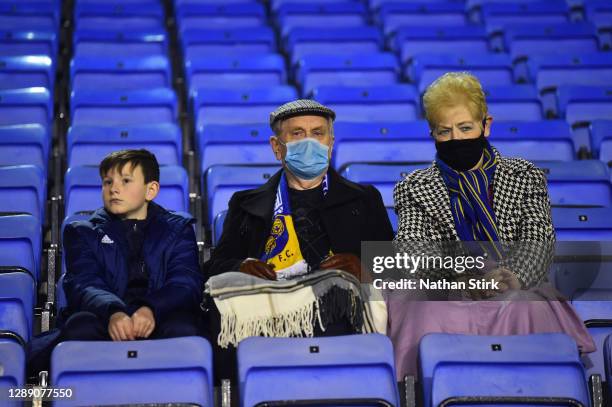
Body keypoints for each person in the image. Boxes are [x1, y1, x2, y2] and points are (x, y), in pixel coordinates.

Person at [388, 72, 594, 378]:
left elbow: (538, 241)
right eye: (445, 132)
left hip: (513, 284)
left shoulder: (524, 176)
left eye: (465, 127)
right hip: (446, 289)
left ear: (486, 125)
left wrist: (510, 276)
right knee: (424, 310)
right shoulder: (415, 186)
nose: (456, 139)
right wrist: (461, 275)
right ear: (432, 133)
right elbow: (414, 248)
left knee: (524, 305)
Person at [203, 99, 394, 383]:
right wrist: (241, 266)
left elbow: (396, 268)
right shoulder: (245, 204)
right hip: (267, 311)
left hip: (339, 312)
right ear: (276, 147)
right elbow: (214, 266)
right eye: (297, 134)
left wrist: (362, 264)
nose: (309, 142)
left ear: (331, 142)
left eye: (317, 133)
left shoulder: (364, 199)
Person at [28, 149, 203, 374]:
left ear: (151, 190)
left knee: (185, 330)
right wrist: (113, 312)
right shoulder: (82, 232)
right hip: (104, 318)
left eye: (126, 181)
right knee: (80, 327)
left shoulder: (178, 229)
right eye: (107, 182)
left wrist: (151, 309)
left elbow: (185, 282)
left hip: (161, 316)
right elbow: (84, 284)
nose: (114, 189)